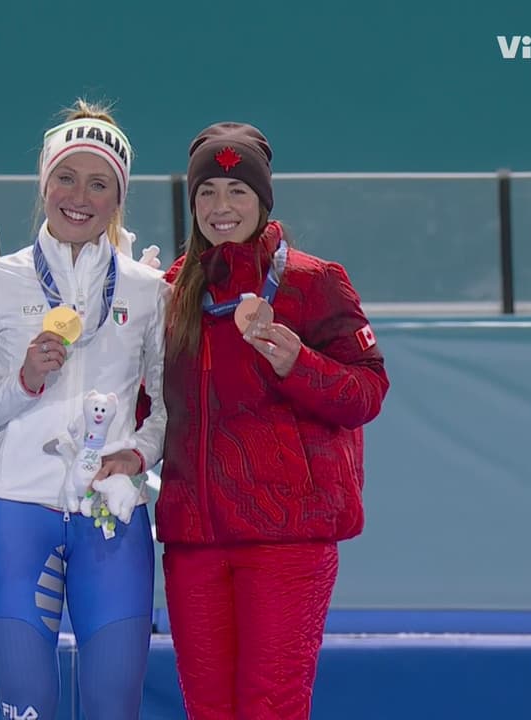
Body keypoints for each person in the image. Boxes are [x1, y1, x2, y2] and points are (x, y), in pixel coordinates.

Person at [155, 122, 390, 719]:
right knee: (207, 710)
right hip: (195, 540)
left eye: (238, 191)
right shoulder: (171, 291)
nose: (221, 206)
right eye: (207, 191)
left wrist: (298, 364)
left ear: (263, 200)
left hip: (287, 539)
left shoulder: (314, 281)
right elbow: (150, 407)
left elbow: (367, 391)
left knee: (271, 709)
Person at [0, 100, 167, 720]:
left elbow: (168, 411)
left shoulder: (146, 289)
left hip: (112, 515)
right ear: (44, 185)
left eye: (99, 183)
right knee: (27, 707)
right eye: (66, 178)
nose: (80, 196)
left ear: (117, 199)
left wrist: (137, 455)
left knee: (112, 708)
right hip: (17, 512)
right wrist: (25, 380)